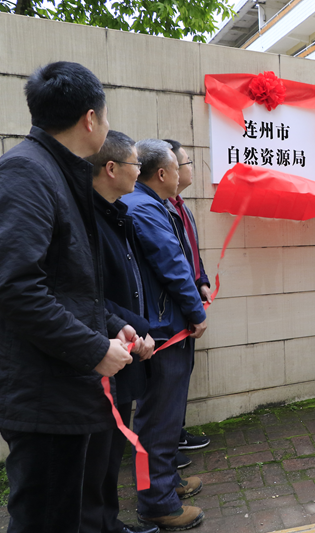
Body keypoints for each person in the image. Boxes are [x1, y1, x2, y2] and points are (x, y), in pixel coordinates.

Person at [0, 61, 135, 533]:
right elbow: (16, 288)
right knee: (45, 521)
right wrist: (94, 349)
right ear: (90, 119)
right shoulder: (25, 172)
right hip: (45, 398)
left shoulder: (58, 171)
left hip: (66, 391)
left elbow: (65, 285)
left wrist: (108, 327)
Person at [123, 139, 207, 530]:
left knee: (166, 418)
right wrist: (195, 313)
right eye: (179, 166)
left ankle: (167, 484)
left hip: (165, 326)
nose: (182, 172)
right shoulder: (145, 209)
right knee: (158, 421)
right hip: (162, 330)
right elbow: (173, 265)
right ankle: (158, 503)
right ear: (162, 174)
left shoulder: (155, 205)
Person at [83, 131, 158, 533]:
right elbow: (85, 294)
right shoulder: (86, 221)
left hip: (125, 344)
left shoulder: (117, 214)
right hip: (100, 349)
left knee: (112, 451)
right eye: (135, 164)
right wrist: (133, 329)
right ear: (111, 169)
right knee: (98, 454)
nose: (140, 171)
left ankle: (107, 522)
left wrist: (138, 330)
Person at [163, 139, 212, 468]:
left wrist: (202, 281)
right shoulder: (156, 209)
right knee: (167, 383)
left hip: (190, 301)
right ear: (168, 170)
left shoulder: (181, 206)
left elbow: (192, 255)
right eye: (187, 162)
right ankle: (164, 450)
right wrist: (194, 309)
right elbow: (170, 263)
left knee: (182, 374)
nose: (192, 167)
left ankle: (175, 434)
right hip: (171, 312)